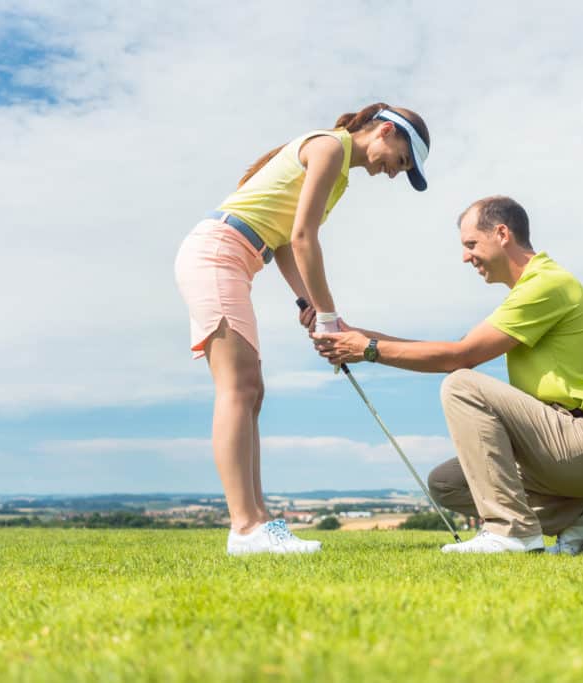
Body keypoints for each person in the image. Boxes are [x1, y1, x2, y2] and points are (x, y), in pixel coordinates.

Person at [174, 103, 431, 555]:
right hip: (218, 255)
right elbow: (303, 238)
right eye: (403, 160)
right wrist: (330, 318)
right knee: (237, 389)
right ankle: (246, 528)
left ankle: (255, 524)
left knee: (251, 391)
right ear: (387, 131)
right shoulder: (330, 147)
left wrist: (308, 304)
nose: (395, 172)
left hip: (236, 258)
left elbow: (287, 243)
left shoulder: (341, 173)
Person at [312, 196, 583, 554]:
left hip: (581, 442)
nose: (465, 257)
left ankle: (512, 532)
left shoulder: (547, 284)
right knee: (446, 483)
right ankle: (579, 516)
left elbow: (460, 358)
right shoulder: (528, 291)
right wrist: (361, 337)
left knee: (461, 385)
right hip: (554, 444)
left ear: (502, 234)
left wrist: (368, 349)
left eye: (471, 244)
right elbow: (455, 348)